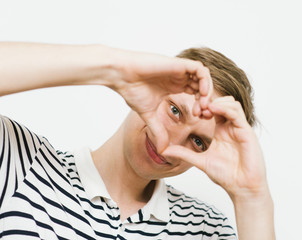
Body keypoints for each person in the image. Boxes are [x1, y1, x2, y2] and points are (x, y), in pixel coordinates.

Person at [0, 42, 275, 240]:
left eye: (198, 142)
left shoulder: (205, 229)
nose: (169, 145)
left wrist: (253, 198)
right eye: (175, 111)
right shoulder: (25, 164)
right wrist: (113, 69)